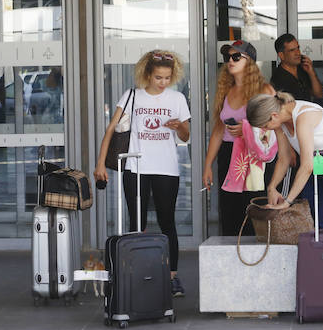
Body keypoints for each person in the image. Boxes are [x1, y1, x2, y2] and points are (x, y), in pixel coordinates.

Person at [94, 50, 191, 297]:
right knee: (136, 222)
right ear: (147, 74)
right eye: (158, 77)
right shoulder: (132, 96)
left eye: (167, 78)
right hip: (136, 166)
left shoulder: (177, 98)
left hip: (166, 168)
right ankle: (137, 273)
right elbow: (110, 130)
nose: (163, 82)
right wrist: (100, 164)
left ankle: (172, 277)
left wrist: (179, 126)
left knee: (167, 221)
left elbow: (186, 136)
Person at [246, 92, 323, 229]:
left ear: (273, 116)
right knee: (308, 215)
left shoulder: (303, 117)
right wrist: (272, 187)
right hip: (318, 161)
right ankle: (312, 249)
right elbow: (284, 158)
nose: (264, 130)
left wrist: (287, 201)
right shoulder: (279, 121)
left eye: (264, 125)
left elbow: (307, 165)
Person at [202, 40, 275, 236]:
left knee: (254, 207)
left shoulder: (265, 90)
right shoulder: (226, 90)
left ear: (250, 61)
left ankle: (255, 259)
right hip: (228, 154)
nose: (230, 61)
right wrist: (208, 165)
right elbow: (218, 130)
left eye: (236, 57)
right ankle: (233, 260)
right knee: (229, 210)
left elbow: (275, 125)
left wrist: (247, 131)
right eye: (227, 57)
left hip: (253, 156)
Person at [270, 33, 323, 110]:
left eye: (298, 48)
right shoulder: (278, 78)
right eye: (292, 50)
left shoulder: (303, 68)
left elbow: (319, 94)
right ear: (281, 55)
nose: (297, 53)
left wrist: (311, 73)